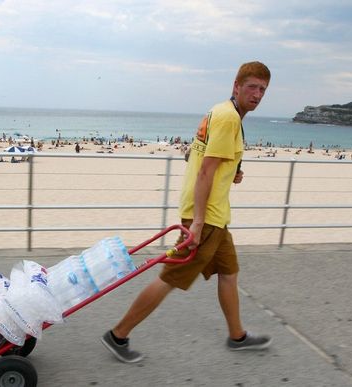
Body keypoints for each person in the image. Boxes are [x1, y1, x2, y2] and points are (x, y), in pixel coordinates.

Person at [100, 61, 272, 363]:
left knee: (229, 274)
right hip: (205, 217)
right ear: (236, 86)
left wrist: (232, 172)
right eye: (252, 87)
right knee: (169, 277)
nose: (257, 94)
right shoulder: (229, 119)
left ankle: (237, 336)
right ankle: (118, 335)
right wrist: (198, 223)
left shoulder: (218, 112)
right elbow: (205, 171)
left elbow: (194, 155)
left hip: (216, 216)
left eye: (263, 89)